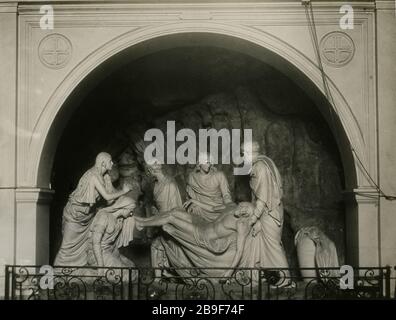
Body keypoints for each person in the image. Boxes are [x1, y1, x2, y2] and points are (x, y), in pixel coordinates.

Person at [135, 202, 254, 278]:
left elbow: (240, 251)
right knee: (175, 211)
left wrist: (228, 273)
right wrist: (196, 202)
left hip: (203, 235)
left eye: (247, 213)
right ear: (242, 203)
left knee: (171, 218)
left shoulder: (241, 224)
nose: (244, 210)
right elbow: (212, 208)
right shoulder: (231, 206)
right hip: (202, 223)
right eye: (246, 206)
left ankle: (142, 224)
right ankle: (143, 220)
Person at [54, 152, 131, 266]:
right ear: (103, 163)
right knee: (67, 246)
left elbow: (110, 199)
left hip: (89, 215)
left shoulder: (106, 177)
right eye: (110, 161)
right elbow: (107, 196)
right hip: (75, 214)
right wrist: (124, 191)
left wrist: (125, 202)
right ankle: (59, 272)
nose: (112, 163)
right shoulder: (92, 175)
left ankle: (79, 269)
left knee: (85, 246)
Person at [239, 141, 291, 285]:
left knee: (272, 246)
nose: (243, 158)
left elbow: (262, 197)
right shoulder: (263, 163)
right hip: (267, 212)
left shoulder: (260, 167)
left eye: (243, 154)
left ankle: (284, 280)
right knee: (260, 244)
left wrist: (254, 218)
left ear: (250, 153)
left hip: (269, 213)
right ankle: (262, 277)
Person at [88, 195, 137, 269]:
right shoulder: (104, 216)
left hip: (111, 250)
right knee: (126, 274)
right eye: (131, 211)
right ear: (124, 208)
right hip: (97, 254)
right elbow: (95, 243)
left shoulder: (120, 220)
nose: (131, 214)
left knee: (132, 267)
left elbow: (138, 221)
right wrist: (100, 266)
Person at [184, 152, 233, 221]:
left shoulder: (219, 175)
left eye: (210, 162)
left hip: (217, 208)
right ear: (199, 163)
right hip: (201, 207)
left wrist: (229, 204)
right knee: (194, 208)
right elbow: (190, 194)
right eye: (206, 162)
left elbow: (226, 195)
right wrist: (193, 202)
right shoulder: (192, 177)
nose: (209, 165)